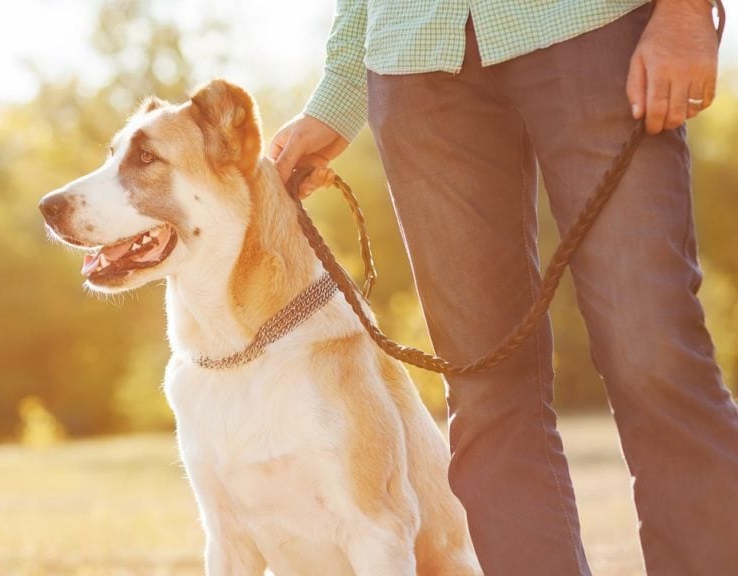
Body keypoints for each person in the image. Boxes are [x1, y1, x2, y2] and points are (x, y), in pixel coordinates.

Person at [268, 1, 738, 574]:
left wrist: (686, 13)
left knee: (655, 357)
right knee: (486, 395)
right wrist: (341, 88)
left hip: (590, 27)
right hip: (416, 57)